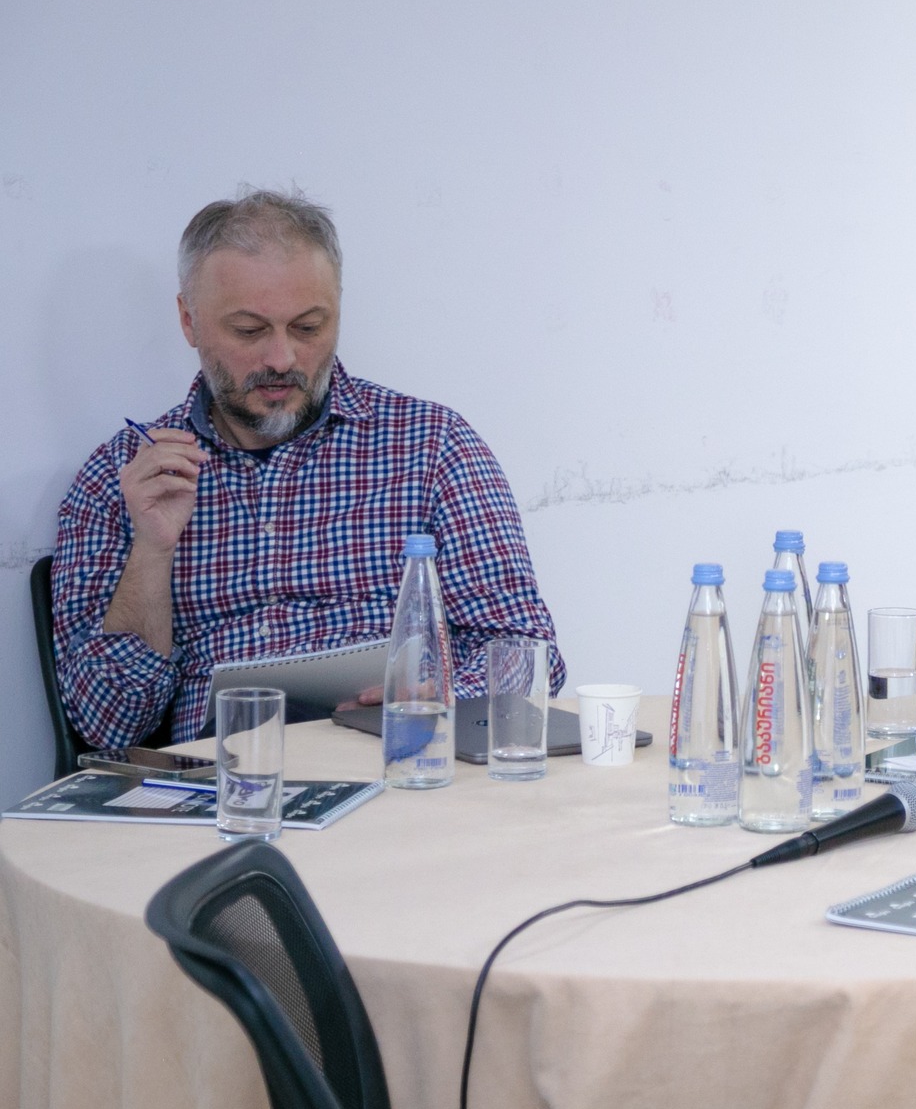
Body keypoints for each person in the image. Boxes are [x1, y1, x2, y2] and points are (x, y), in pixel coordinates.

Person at [52, 189, 566, 748]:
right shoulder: (123, 478)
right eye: (249, 330)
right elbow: (109, 727)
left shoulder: (432, 446)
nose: (282, 359)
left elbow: (526, 656)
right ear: (188, 321)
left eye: (308, 327)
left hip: (400, 762)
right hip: (229, 780)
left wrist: (439, 695)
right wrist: (152, 552)